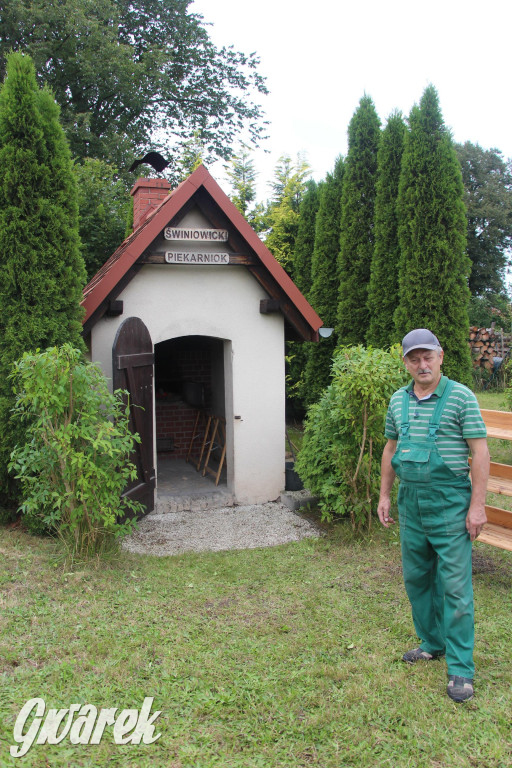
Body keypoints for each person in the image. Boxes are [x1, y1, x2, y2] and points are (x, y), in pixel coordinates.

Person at [377, 328, 489, 703]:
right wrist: (385, 495)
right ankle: (432, 643)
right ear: (406, 362)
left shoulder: (461, 397)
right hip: (411, 503)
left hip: (450, 504)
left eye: (428, 357)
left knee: (455, 587)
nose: (422, 364)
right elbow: (390, 448)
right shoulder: (397, 401)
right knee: (417, 579)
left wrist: (476, 506)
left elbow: (480, 452)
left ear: (440, 356)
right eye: (414, 358)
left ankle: (460, 669)